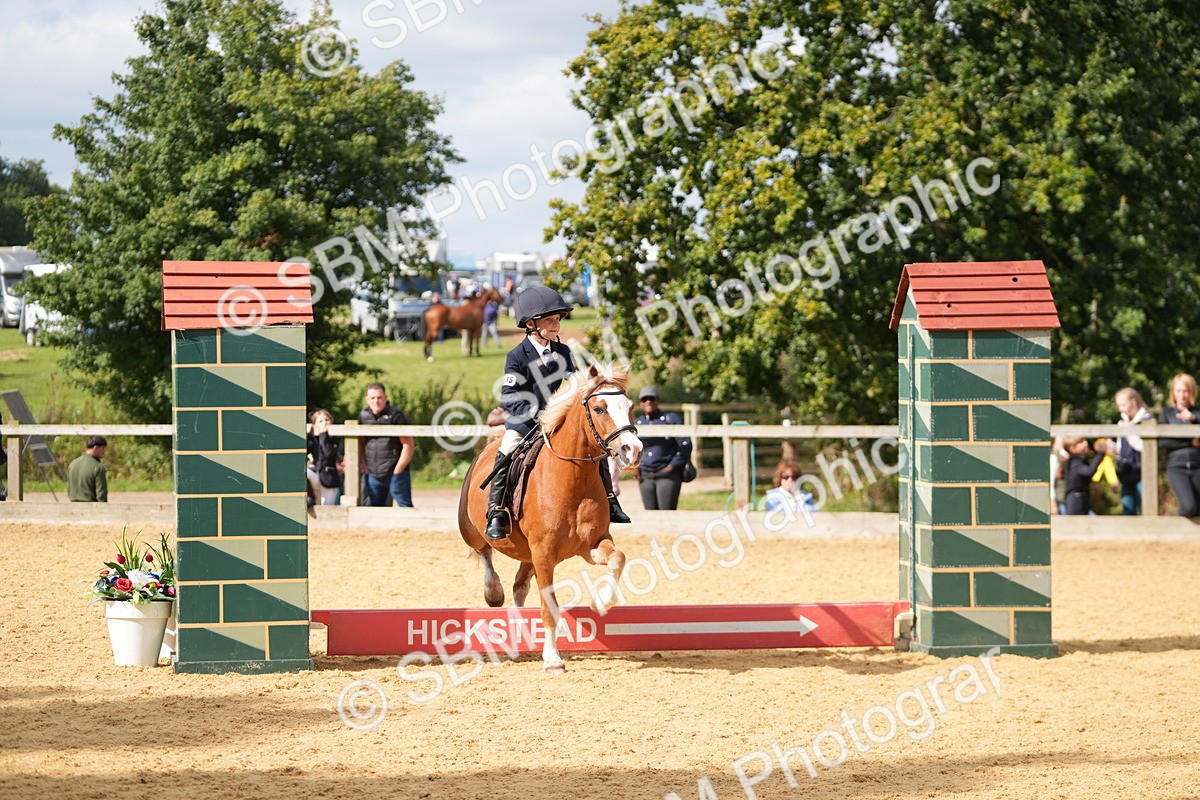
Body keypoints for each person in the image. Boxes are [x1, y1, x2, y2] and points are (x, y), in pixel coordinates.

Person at [483, 285, 630, 540]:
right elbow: (509, 395)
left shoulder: (563, 352)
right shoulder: (516, 356)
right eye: (549, 320)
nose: (556, 325)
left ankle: (610, 500)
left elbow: (577, 385)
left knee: (596, 448)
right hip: (526, 422)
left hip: (559, 422)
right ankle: (496, 510)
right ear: (531, 324)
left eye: (558, 319)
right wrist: (534, 414)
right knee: (507, 448)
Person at [634, 386, 692, 511]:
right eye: (644, 399)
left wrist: (672, 465)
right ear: (640, 403)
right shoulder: (637, 423)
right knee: (650, 513)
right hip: (645, 475)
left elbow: (685, 444)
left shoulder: (670, 419)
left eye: (652, 399)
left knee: (667, 512)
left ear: (657, 401)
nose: (648, 402)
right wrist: (634, 466)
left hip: (666, 474)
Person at [358, 383, 415, 507]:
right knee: (374, 509)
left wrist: (398, 470)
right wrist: (365, 467)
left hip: (395, 473)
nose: (376, 401)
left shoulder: (396, 415)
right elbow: (360, 444)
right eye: (372, 398)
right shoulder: (363, 416)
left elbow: (408, 444)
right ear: (367, 399)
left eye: (379, 397)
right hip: (372, 474)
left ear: (386, 398)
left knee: (405, 507)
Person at [1160, 373, 1200, 517]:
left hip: (1198, 465)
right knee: (1189, 507)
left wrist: (1194, 419)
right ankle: (1175, 528)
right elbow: (1163, 441)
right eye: (1179, 391)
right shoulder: (1166, 413)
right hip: (1177, 466)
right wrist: (1190, 441)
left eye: (1186, 391)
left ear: (1192, 392)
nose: (1182, 395)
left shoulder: (1197, 413)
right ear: (1173, 393)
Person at [1113, 387, 1153, 515]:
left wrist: (1128, 431)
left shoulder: (1147, 421)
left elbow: (1145, 447)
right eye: (1119, 406)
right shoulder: (1122, 423)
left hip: (1143, 474)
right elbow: (1120, 448)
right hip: (1127, 475)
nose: (1121, 409)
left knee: (1145, 511)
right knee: (1128, 512)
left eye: (1123, 405)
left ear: (1133, 402)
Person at [306, 409, 344, 506]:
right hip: (315, 474)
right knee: (304, 472)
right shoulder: (313, 438)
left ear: (331, 421)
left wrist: (323, 434)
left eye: (327, 420)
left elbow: (328, 453)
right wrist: (307, 435)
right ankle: (310, 497)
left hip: (328, 478)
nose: (324, 423)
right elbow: (304, 451)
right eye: (320, 421)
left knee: (327, 507)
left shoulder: (335, 438)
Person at [1060, 436, 1105, 515]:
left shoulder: (1079, 460)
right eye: (1081, 442)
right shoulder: (1074, 461)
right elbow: (1089, 472)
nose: (1085, 443)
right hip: (1076, 501)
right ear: (1072, 448)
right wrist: (1100, 453)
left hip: (1082, 498)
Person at [68, 435, 109, 502]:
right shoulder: (98, 467)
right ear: (95, 448)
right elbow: (101, 495)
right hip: (91, 506)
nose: (104, 452)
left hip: (73, 505)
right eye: (103, 448)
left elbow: (69, 489)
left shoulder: (72, 464)